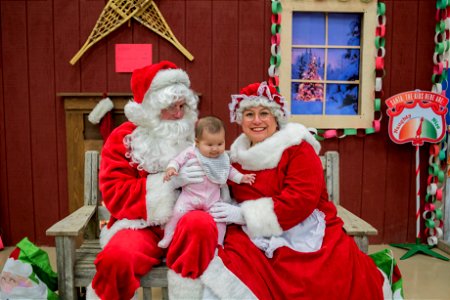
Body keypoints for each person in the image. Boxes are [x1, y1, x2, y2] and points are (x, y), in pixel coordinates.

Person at [196, 81, 398, 299]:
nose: (256, 121)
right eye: (249, 114)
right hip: (251, 231)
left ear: (276, 118)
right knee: (232, 267)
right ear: (240, 119)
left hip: (301, 226)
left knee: (317, 276)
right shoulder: (235, 156)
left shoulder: (297, 148)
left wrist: (245, 214)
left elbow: (301, 200)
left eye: (264, 113)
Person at [87, 61, 219, 300]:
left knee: (201, 225)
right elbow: (114, 193)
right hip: (139, 225)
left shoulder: (197, 132)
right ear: (149, 109)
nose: (178, 114)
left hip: (186, 222)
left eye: (182, 106)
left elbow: (219, 170)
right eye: (170, 108)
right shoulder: (124, 138)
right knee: (117, 257)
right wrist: (168, 184)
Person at [158, 116, 255, 248]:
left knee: (220, 219)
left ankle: (218, 243)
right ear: (197, 142)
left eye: (220, 144)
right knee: (177, 212)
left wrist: (241, 177)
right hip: (190, 197)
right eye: (209, 145)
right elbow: (177, 161)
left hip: (212, 198)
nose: (215, 149)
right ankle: (168, 236)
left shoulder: (222, 158)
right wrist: (172, 169)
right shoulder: (191, 152)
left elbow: (229, 170)